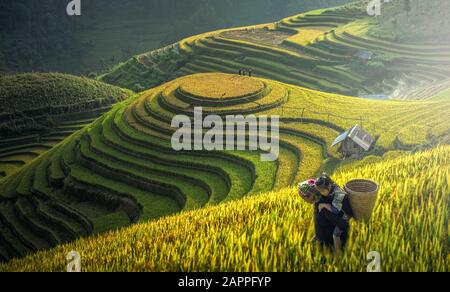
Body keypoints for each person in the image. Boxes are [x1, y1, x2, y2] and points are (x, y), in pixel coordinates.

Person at [298, 174, 354, 251]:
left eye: (305, 197)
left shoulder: (327, 202)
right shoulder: (319, 199)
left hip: (338, 224)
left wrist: (326, 206)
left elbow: (340, 220)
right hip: (324, 229)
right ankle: (318, 236)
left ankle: (338, 253)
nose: (305, 200)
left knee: (335, 236)